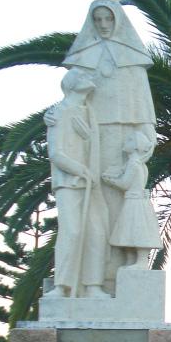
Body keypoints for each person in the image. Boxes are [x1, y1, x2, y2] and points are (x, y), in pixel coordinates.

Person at [63, 0, 157, 290]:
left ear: (118, 21)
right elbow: (69, 98)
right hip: (92, 140)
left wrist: (145, 137)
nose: (103, 25)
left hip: (124, 141)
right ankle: (90, 280)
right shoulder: (83, 60)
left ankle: (114, 275)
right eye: (98, 19)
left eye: (108, 19)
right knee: (94, 206)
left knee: (119, 208)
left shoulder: (132, 61)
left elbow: (143, 107)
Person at [45, 69, 110, 298]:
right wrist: (81, 170)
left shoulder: (89, 112)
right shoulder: (60, 113)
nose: (90, 79)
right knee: (71, 232)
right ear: (73, 85)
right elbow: (56, 153)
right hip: (70, 182)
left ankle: (93, 286)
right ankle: (62, 287)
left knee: (97, 232)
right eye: (84, 77)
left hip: (90, 183)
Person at [104, 132, 162, 268]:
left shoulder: (134, 164)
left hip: (135, 202)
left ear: (136, 147)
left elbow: (125, 184)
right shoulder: (137, 163)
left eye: (129, 140)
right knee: (128, 232)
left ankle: (141, 261)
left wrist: (110, 181)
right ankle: (131, 260)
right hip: (133, 200)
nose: (125, 143)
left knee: (137, 232)